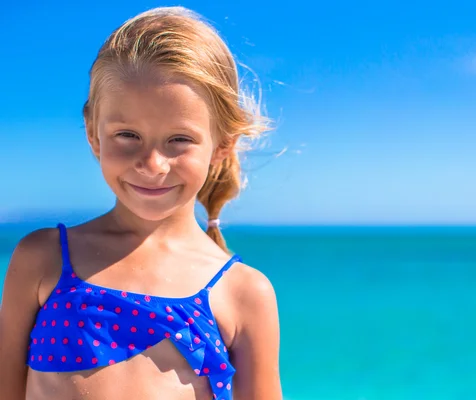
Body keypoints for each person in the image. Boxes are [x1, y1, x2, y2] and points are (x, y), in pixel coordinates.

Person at [0, 6, 282, 400]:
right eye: (128, 135)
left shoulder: (244, 293)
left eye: (179, 140)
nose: (151, 164)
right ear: (93, 135)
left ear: (221, 145)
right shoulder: (42, 258)